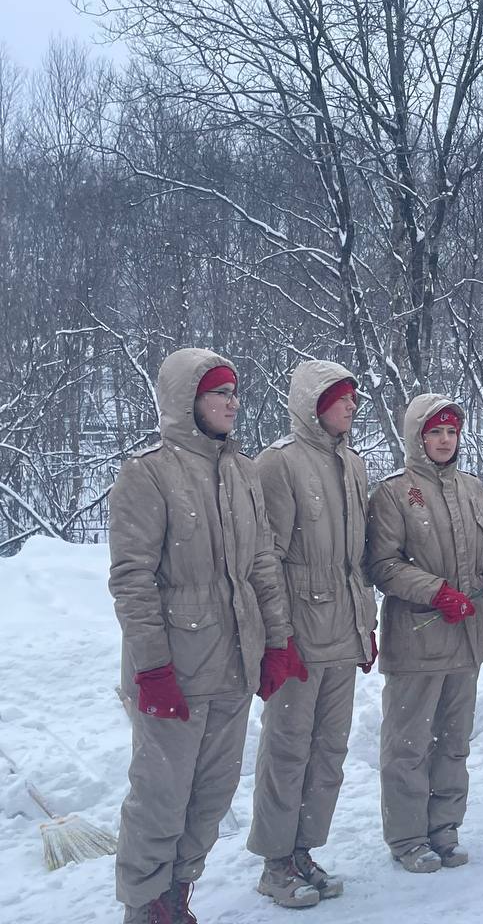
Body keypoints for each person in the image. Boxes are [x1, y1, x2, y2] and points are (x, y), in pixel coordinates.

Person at [109, 348, 303, 924]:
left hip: (234, 664)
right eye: (219, 392)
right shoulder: (148, 473)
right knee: (160, 794)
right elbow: (132, 579)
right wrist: (151, 668)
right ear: (186, 400)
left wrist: (277, 641)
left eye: (234, 392)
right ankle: (145, 904)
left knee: (213, 794)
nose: (232, 402)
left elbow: (263, 564)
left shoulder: (243, 472)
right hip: (175, 664)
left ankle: (178, 891)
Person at [249, 362, 378, 905]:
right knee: (287, 749)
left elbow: (360, 561)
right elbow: (266, 558)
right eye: (340, 398)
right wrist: (279, 636)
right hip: (300, 632)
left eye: (352, 398)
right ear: (311, 403)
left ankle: (304, 850)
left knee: (329, 749)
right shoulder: (278, 464)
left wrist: (365, 625)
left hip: (343, 631)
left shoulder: (352, 463)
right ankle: (275, 863)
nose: (350, 407)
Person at [367, 395, 483, 869]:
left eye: (452, 431)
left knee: (454, 742)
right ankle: (408, 839)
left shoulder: (472, 488)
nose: (445, 440)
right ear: (417, 437)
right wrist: (434, 590)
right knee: (407, 746)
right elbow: (382, 565)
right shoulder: (393, 492)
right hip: (418, 636)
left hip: (467, 636)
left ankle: (444, 829)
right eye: (435, 432)